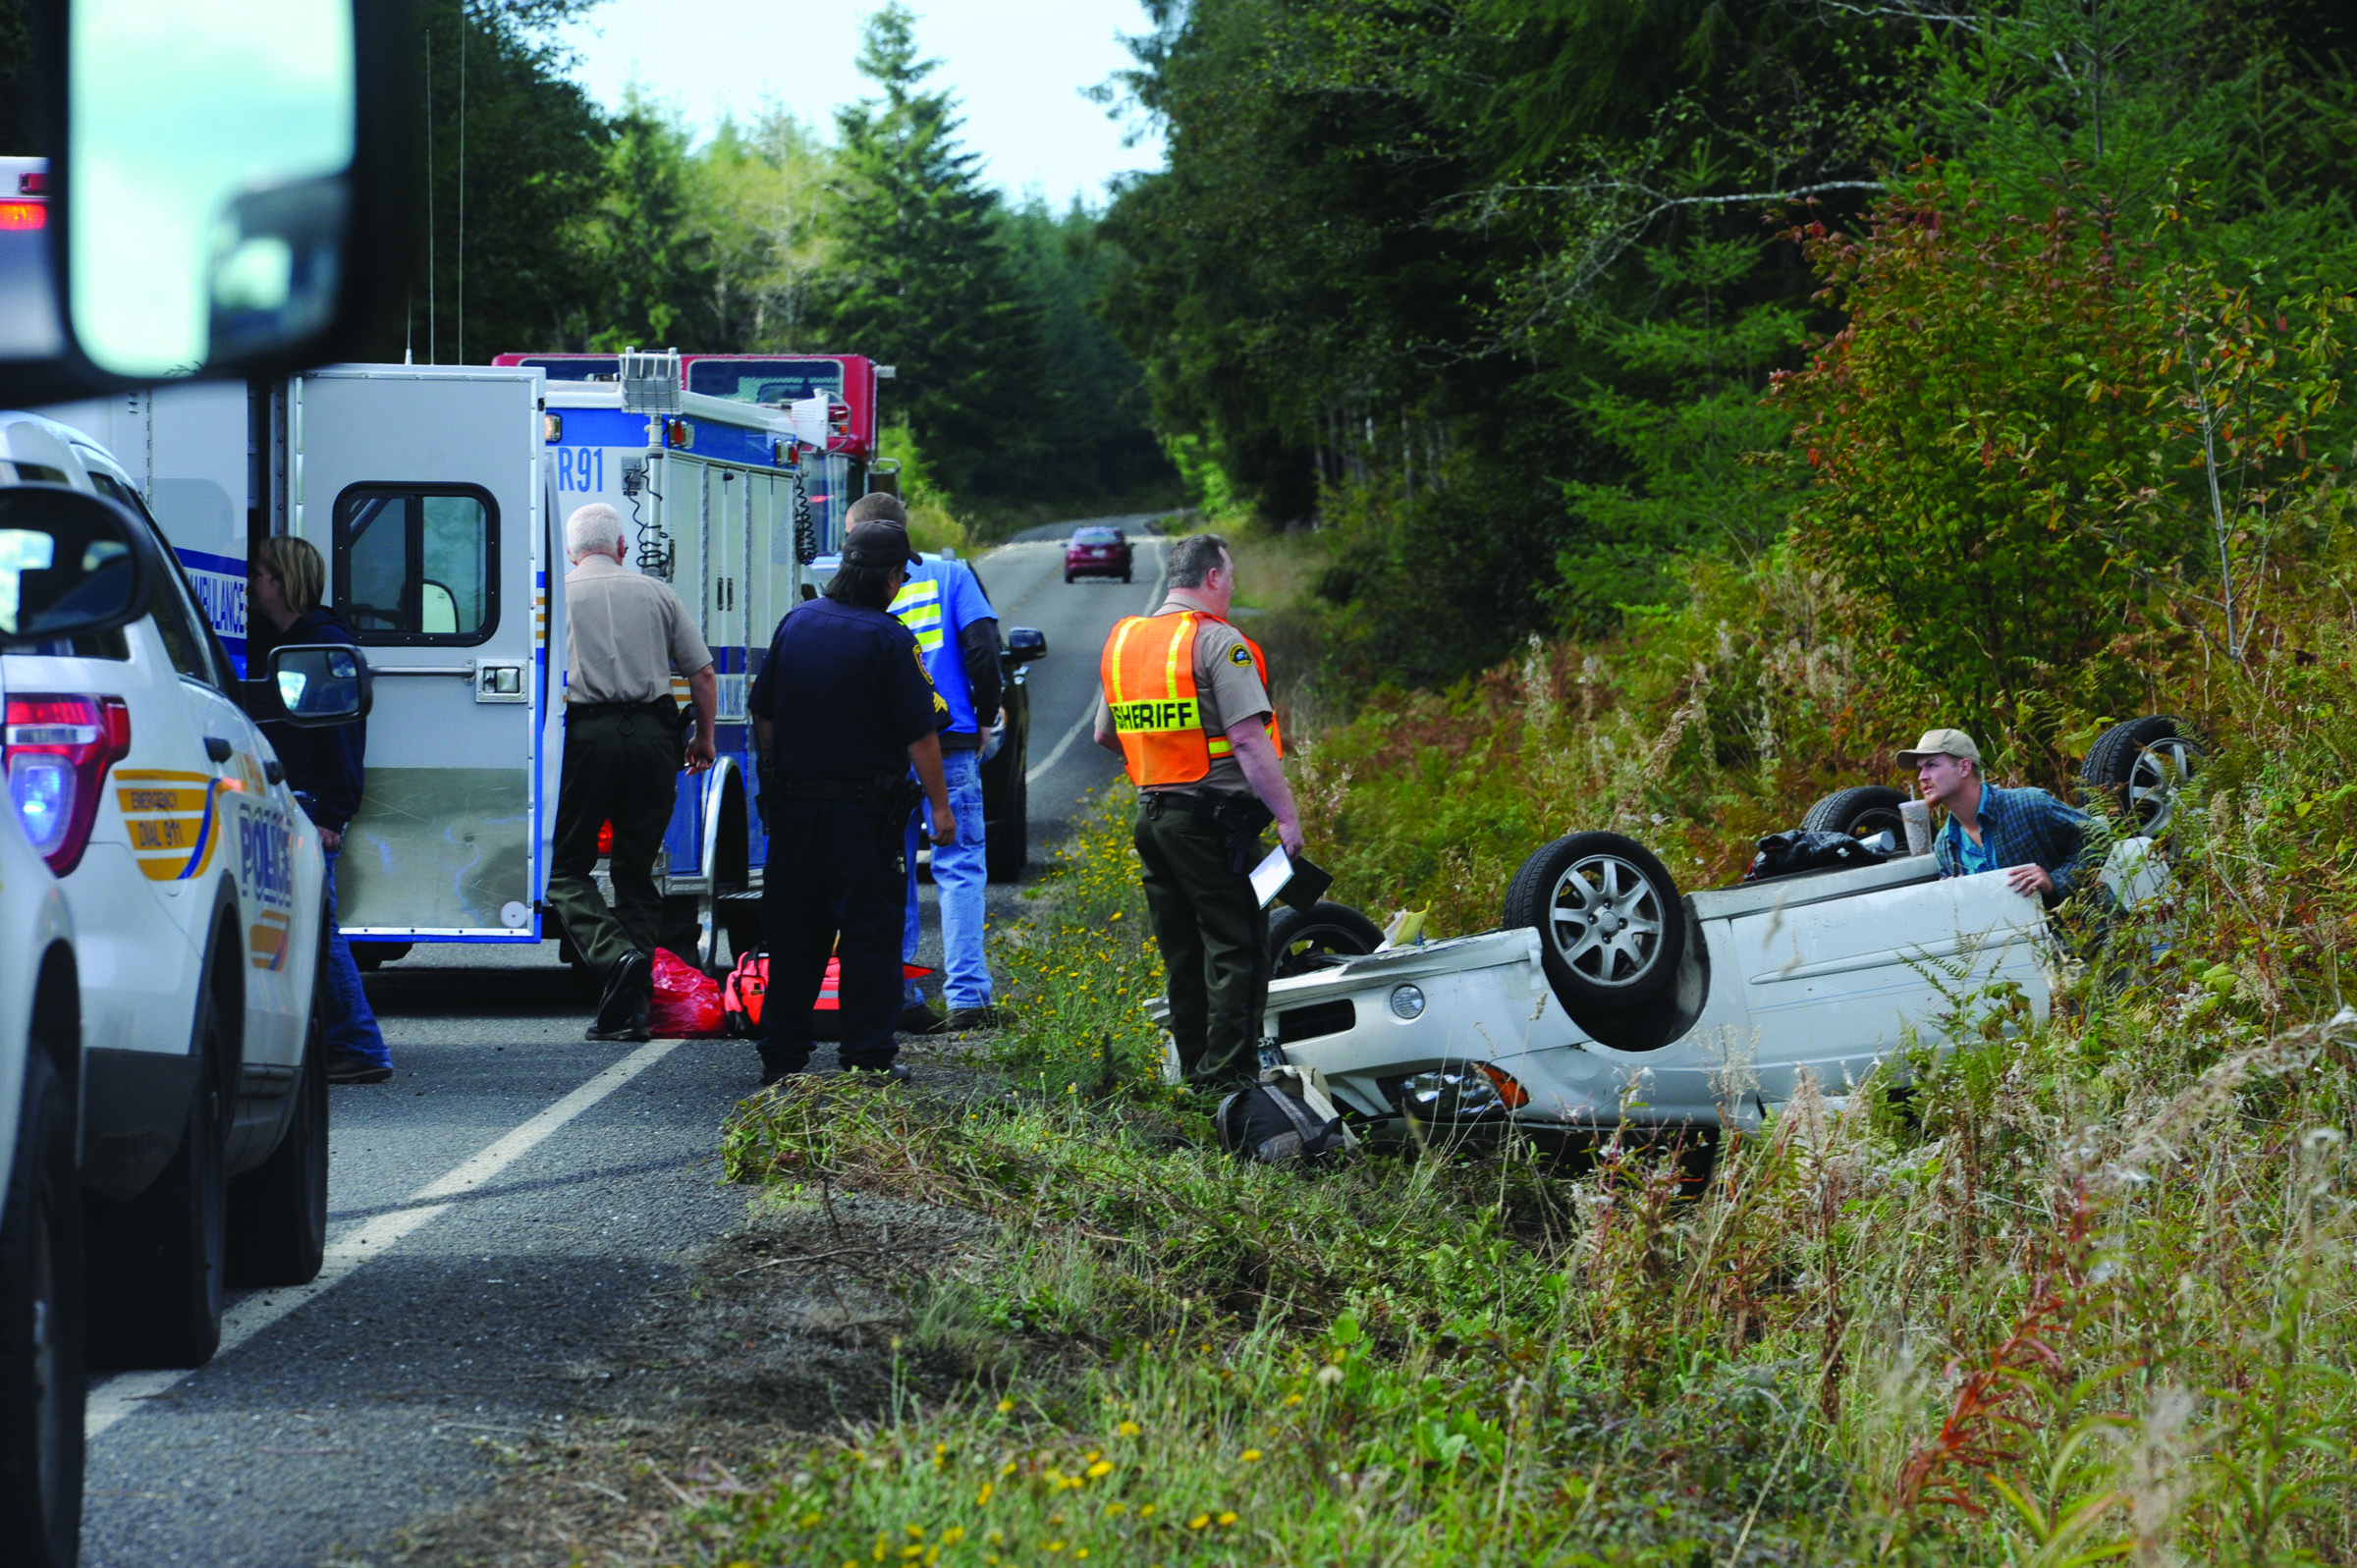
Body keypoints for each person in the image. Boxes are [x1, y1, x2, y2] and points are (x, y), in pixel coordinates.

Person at [1093, 532, 1305, 1093]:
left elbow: (1103, 734)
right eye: (1230, 577)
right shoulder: (1218, 642)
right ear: (1212, 577)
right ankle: (1228, 1083)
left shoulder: (1126, 641)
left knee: (1183, 953)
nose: (1233, 587)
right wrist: (1287, 818)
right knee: (1236, 945)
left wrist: (1158, 765)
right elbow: (1249, 741)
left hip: (1154, 819)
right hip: (1212, 822)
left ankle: (1194, 1078)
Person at [749, 515, 955, 1086]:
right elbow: (921, 733)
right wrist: (940, 808)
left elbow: (762, 709)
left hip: (793, 813)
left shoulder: (796, 624)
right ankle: (867, 1058)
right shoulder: (890, 639)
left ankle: (782, 1057)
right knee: (869, 936)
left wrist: (774, 775)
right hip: (863, 821)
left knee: (794, 934)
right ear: (890, 578)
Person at [546, 502, 717, 1043]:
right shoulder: (659, 593)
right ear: (622, 547)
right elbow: (703, 673)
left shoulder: (558, 596)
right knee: (636, 872)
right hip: (653, 738)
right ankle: (634, 1008)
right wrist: (703, 738)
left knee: (567, 869)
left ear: (571, 552)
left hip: (588, 737)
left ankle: (614, 956)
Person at [852, 494, 1013, 1036]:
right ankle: (968, 997)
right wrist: (985, 713)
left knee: (890, 873)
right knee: (961, 868)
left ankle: (899, 995)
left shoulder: (853, 584)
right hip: (951, 744)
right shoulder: (951, 574)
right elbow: (985, 647)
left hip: (880, 752)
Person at [249, 536, 392, 1084]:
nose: (250, 584)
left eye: (259, 573)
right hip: (296, 798)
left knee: (318, 928)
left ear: (282, 583)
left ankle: (358, 1044)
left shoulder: (322, 647)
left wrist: (333, 812)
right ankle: (345, 1041)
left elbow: (340, 737)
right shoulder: (289, 643)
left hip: (311, 805)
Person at [1898, 727, 2097, 905]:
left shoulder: (2029, 805)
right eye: (1920, 768)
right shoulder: (1945, 843)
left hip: (2086, 937)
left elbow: (2098, 839)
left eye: (1931, 765)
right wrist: (1953, 897)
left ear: (1964, 767)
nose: (1921, 776)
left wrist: (2056, 881)